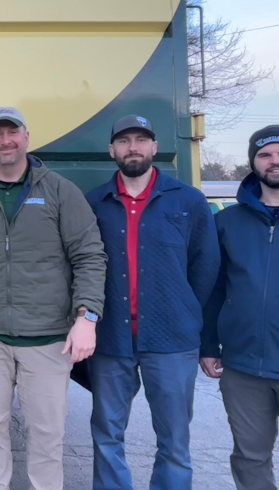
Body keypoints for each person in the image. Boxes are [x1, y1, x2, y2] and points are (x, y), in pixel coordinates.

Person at [0, 107, 107, 490]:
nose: (5, 141)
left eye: (12, 132)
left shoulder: (61, 191)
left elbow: (90, 255)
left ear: (27, 137)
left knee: (48, 434)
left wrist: (87, 316)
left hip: (48, 337)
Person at [84, 115, 220, 490]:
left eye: (141, 140)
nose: (133, 148)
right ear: (112, 150)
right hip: (111, 340)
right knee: (107, 435)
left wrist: (182, 312)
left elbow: (205, 267)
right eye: (124, 141)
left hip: (171, 341)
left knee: (174, 441)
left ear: (154, 148)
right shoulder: (95, 202)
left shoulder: (188, 201)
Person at [201, 125, 279, 490]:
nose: (275, 161)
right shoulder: (227, 222)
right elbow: (214, 289)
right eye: (265, 155)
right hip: (244, 367)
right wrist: (208, 345)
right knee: (250, 460)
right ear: (253, 163)